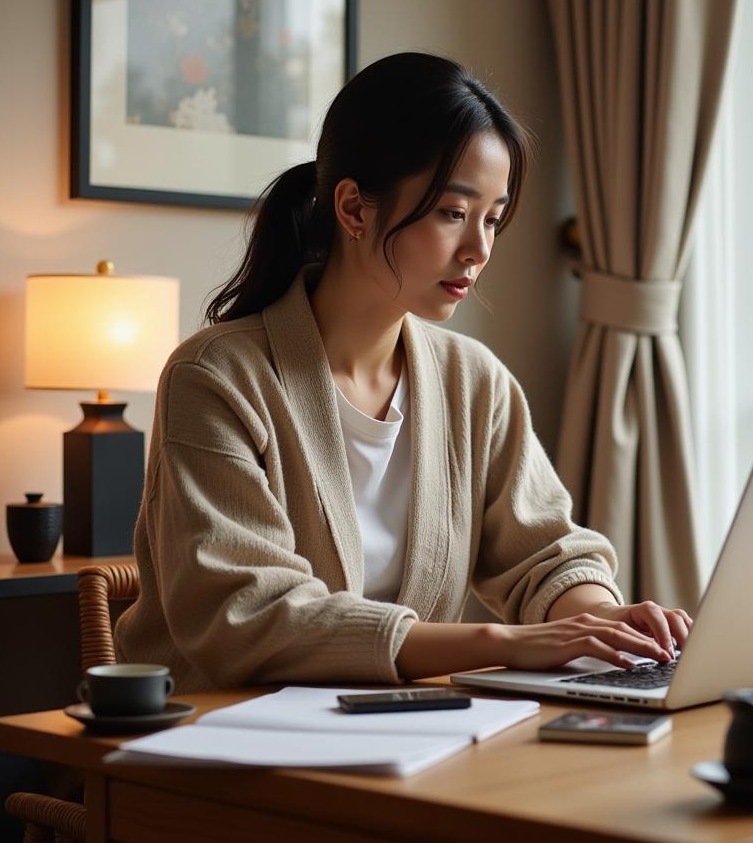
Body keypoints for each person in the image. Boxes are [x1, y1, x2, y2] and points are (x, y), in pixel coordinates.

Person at [115, 52, 692, 690]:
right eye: (453, 212)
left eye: (493, 219)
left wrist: (605, 627)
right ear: (355, 210)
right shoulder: (217, 377)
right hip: (216, 744)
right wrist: (509, 643)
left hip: (406, 737)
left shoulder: (474, 381)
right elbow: (248, 616)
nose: (479, 249)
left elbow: (545, 555)